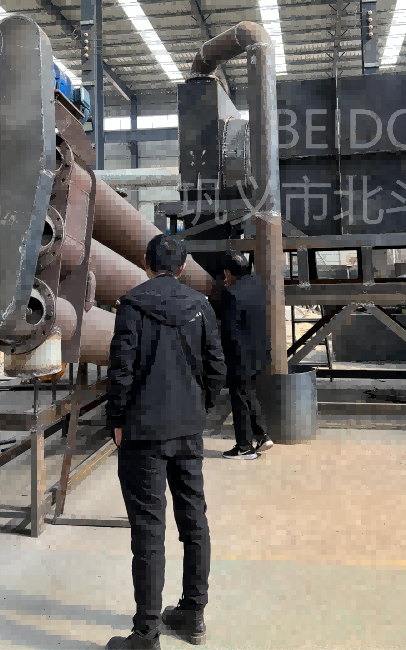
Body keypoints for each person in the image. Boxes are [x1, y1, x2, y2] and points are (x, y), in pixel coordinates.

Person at [105, 234, 226, 650]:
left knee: (148, 529)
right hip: (187, 430)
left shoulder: (133, 305)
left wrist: (116, 419)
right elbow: (216, 367)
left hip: (143, 432)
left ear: (145, 261)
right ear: (182, 267)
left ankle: (147, 633)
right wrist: (198, 408)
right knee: (194, 519)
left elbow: (121, 369)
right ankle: (193, 614)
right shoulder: (201, 307)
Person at [219, 251, 274, 460]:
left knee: (239, 398)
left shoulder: (231, 294)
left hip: (240, 356)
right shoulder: (258, 285)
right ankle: (262, 435)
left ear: (227, 272)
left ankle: (244, 447)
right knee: (249, 393)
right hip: (259, 353)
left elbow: (229, 332)